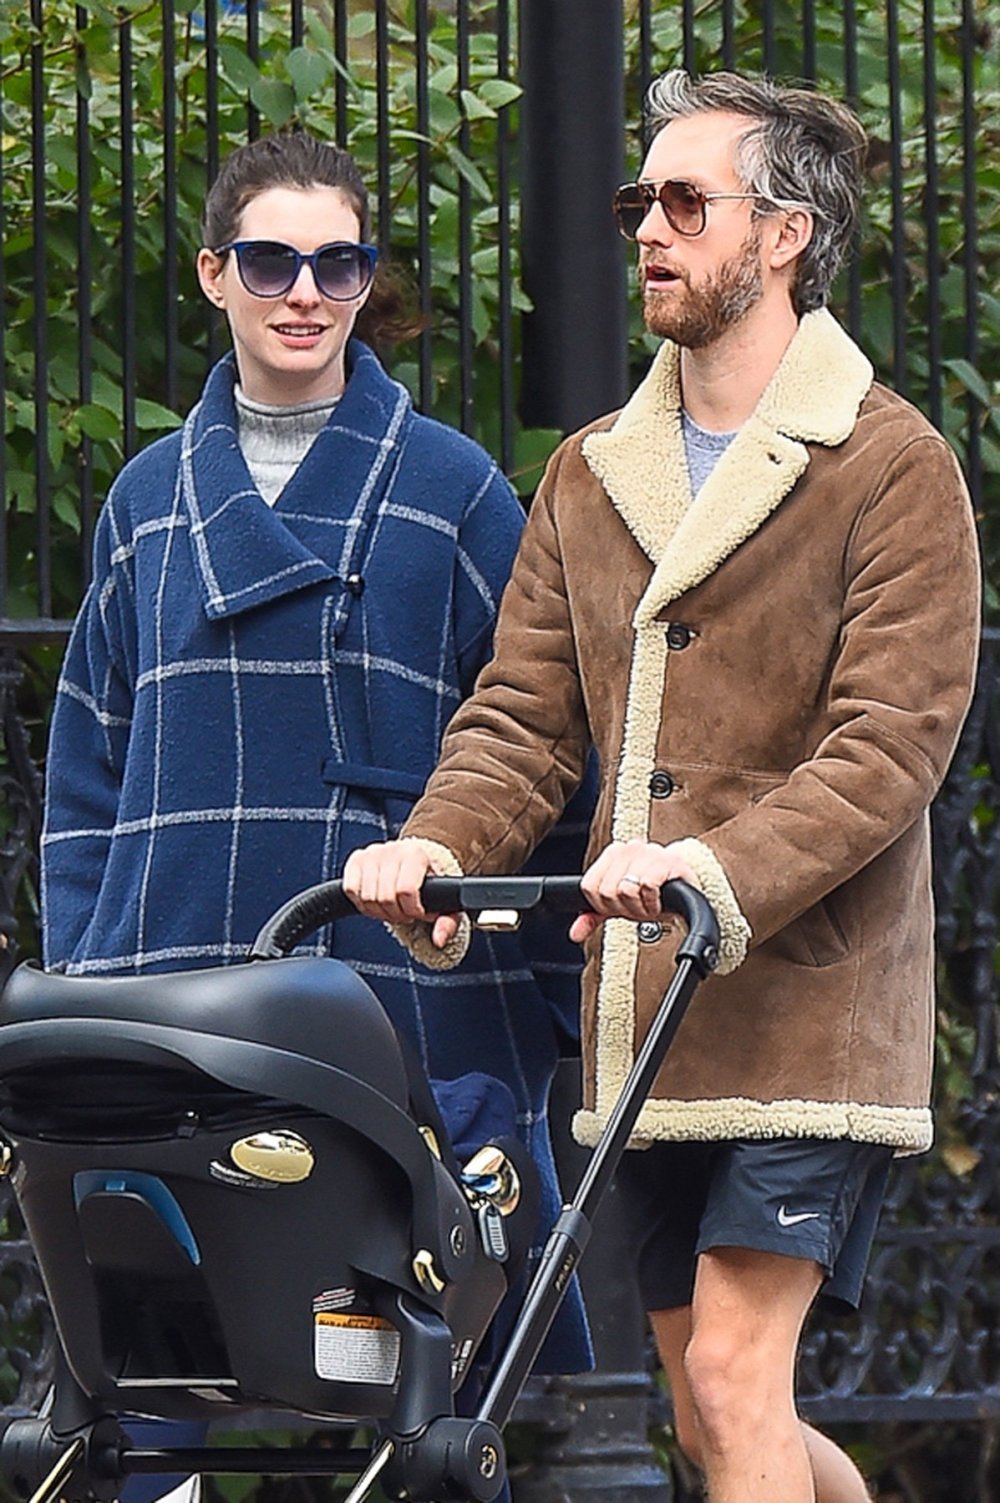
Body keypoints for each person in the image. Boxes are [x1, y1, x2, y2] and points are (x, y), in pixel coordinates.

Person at [343, 69, 982, 1503]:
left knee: (736, 1381)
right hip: (650, 1015)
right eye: (643, 199)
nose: (647, 228)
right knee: (713, 1419)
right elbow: (523, 719)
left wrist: (711, 870)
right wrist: (436, 844)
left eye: (688, 202)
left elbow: (890, 746)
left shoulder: (890, 465)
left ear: (786, 235)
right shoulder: (591, 474)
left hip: (811, 1008)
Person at [40, 129, 591, 1496]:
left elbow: (537, 733)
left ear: (366, 280)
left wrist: (548, 1003)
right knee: (153, 1362)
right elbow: (87, 763)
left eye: (337, 264)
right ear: (213, 274)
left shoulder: (454, 488)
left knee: (422, 1383)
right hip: (165, 970)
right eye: (271, 261)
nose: (304, 292)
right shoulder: (145, 499)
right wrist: (83, 972)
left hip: (389, 976)